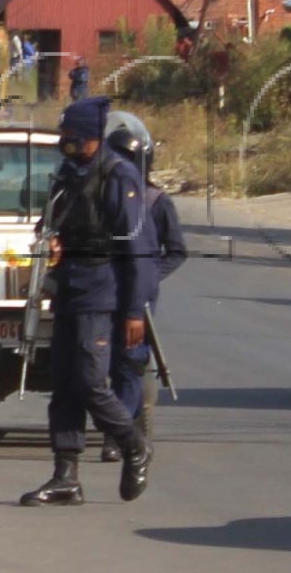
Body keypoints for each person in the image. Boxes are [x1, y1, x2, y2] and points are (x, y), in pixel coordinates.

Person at [20, 96, 154, 507]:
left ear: (91, 138)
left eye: (71, 136)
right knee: (64, 384)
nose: (65, 142)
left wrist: (134, 311)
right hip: (69, 289)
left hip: (102, 291)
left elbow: (139, 251)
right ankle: (65, 476)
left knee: (92, 382)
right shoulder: (69, 173)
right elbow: (51, 219)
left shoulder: (119, 176)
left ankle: (133, 445)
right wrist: (53, 240)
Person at [101, 113, 187, 461]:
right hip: (101, 295)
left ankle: (117, 437)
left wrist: (148, 275)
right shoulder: (99, 197)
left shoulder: (155, 202)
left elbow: (176, 250)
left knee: (131, 367)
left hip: (137, 300)